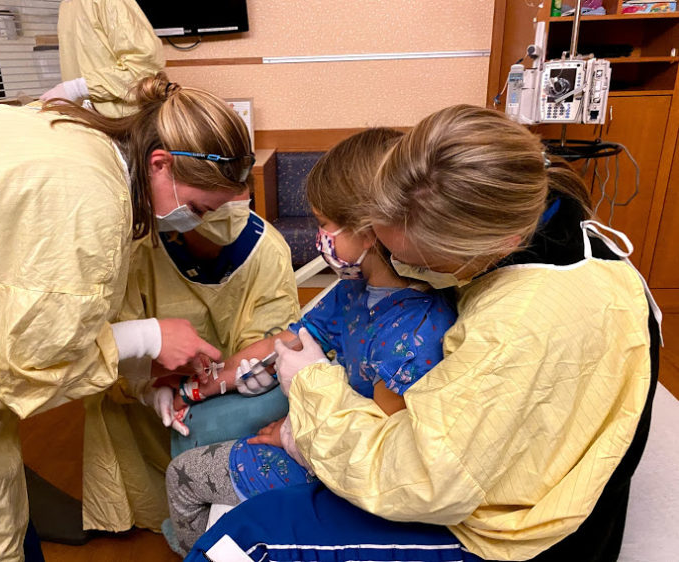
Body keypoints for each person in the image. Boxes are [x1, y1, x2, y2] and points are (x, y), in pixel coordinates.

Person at [185, 105, 661, 562]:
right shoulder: (560, 230)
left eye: (420, 261)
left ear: (489, 246)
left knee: (240, 543)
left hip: (520, 539)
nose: (405, 270)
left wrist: (306, 409)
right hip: (492, 468)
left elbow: (420, 479)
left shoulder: (513, 327)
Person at [0, 71, 254, 560]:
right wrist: (149, 337)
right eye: (197, 207)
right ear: (160, 163)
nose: (198, 223)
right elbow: (24, 364)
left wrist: (144, 367)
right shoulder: (89, 201)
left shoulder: (75, 135)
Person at [164, 128, 458, 556]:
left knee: (183, 475)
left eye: (323, 224)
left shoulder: (412, 335)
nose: (320, 238)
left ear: (371, 230)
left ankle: (200, 550)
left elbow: (382, 450)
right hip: (320, 437)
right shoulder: (356, 292)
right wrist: (208, 384)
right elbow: (286, 343)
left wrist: (292, 438)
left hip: (340, 472)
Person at [80, 197, 301, 532]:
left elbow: (269, 348)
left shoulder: (264, 249)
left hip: (230, 413)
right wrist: (146, 388)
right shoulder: (139, 249)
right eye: (201, 201)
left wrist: (190, 390)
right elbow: (103, 351)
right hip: (144, 413)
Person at [41, 0, 165, 118]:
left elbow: (143, 68)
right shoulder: (66, 5)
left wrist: (76, 89)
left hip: (126, 125)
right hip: (90, 121)